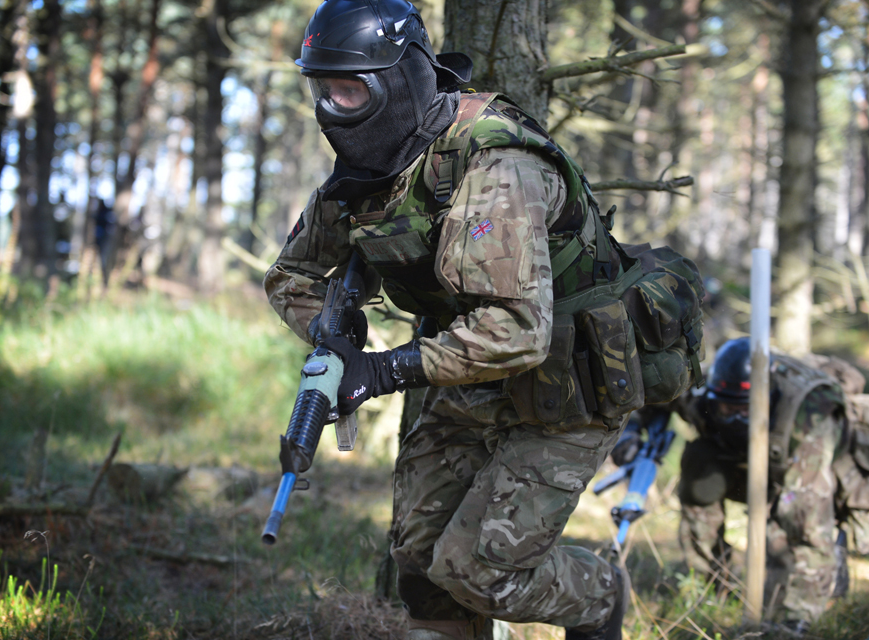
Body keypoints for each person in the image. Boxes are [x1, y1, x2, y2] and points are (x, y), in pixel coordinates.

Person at [264, 1, 705, 638]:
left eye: (351, 89)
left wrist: (383, 371)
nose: (334, 107)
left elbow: (517, 329)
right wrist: (333, 332)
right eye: (323, 89)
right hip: (467, 377)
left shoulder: (497, 166)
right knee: (420, 562)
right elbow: (291, 276)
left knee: (479, 571)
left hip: (571, 379)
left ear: (400, 79)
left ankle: (600, 594)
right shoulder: (364, 174)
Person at [613, 337, 869, 634]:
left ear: (765, 398)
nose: (733, 416)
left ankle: (797, 605)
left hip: (813, 468)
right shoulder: (701, 392)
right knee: (699, 467)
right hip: (744, 457)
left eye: (744, 409)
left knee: (789, 525)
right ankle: (717, 584)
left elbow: (807, 528)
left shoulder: (808, 414)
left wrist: (791, 624)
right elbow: (652, 399)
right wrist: (630, 432)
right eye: (725, 408)